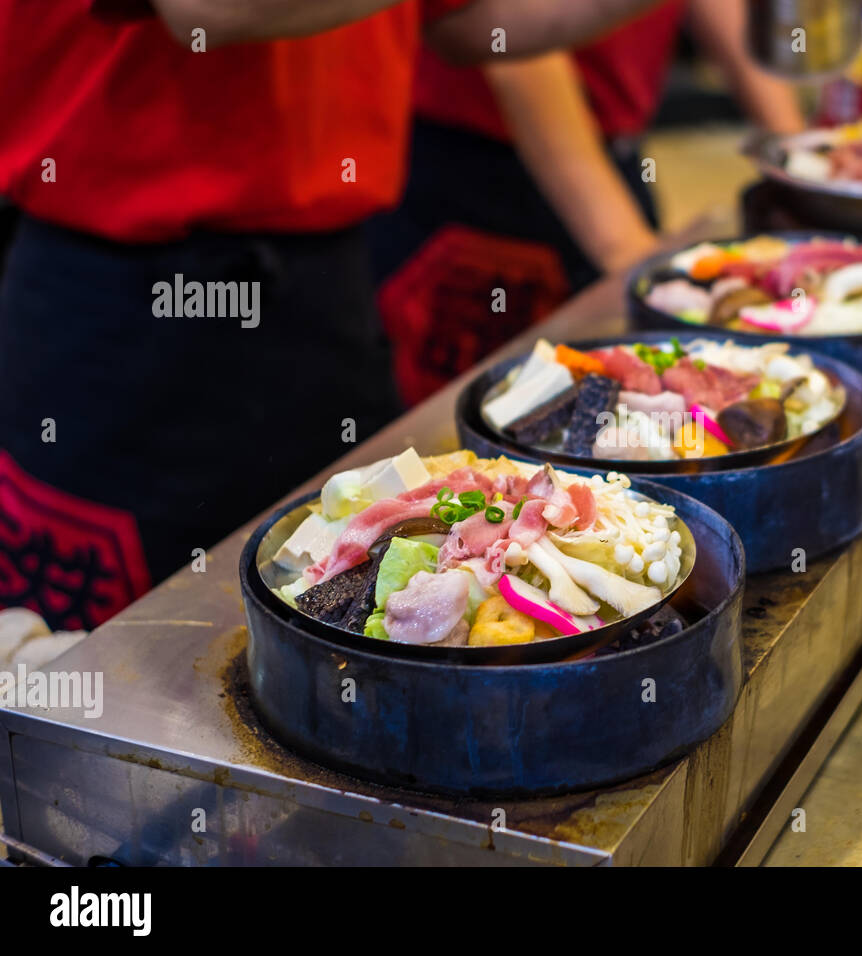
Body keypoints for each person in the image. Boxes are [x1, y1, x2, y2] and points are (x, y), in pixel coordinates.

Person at [0, 0, 678, 631]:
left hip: (326, 283)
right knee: (123, 664)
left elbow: (474, 22)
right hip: (124, 302)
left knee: (343, 619)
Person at [368, 0, 804, 406]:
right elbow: (512, 38)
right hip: (485, 179)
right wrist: (628, 254)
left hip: (616, 155)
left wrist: (801, 165)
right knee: (504, 420)